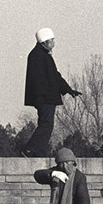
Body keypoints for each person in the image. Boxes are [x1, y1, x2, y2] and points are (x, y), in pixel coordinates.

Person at [21, 28, 82, 157]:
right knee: (46, 124)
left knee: (46, 124)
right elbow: (39, 79)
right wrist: (40, 97)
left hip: (45, 97)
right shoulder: (38, 56)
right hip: (44, 97)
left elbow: (55, 76)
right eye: (52, 40)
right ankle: (31, 149)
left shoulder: (42, 55)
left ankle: (38, 150)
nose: (54, 43)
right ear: (44, 41)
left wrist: (68, 90)